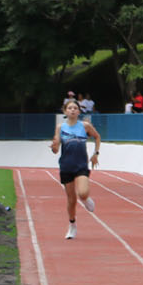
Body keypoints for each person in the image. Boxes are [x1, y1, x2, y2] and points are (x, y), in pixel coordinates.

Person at [50, 99, 102, 240]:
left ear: (79, 111)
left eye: (75, 108)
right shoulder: (60, 127)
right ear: (65, 111)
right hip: (66, 166)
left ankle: (85, 199)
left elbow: (97, 137)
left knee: (83, 193)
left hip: (81, 166)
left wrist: (95, 154)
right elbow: (56, 149)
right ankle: (72, 225)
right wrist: (54, 147)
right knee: (71, 199)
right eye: (70, 108)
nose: (72, 110)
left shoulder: (85, 126)